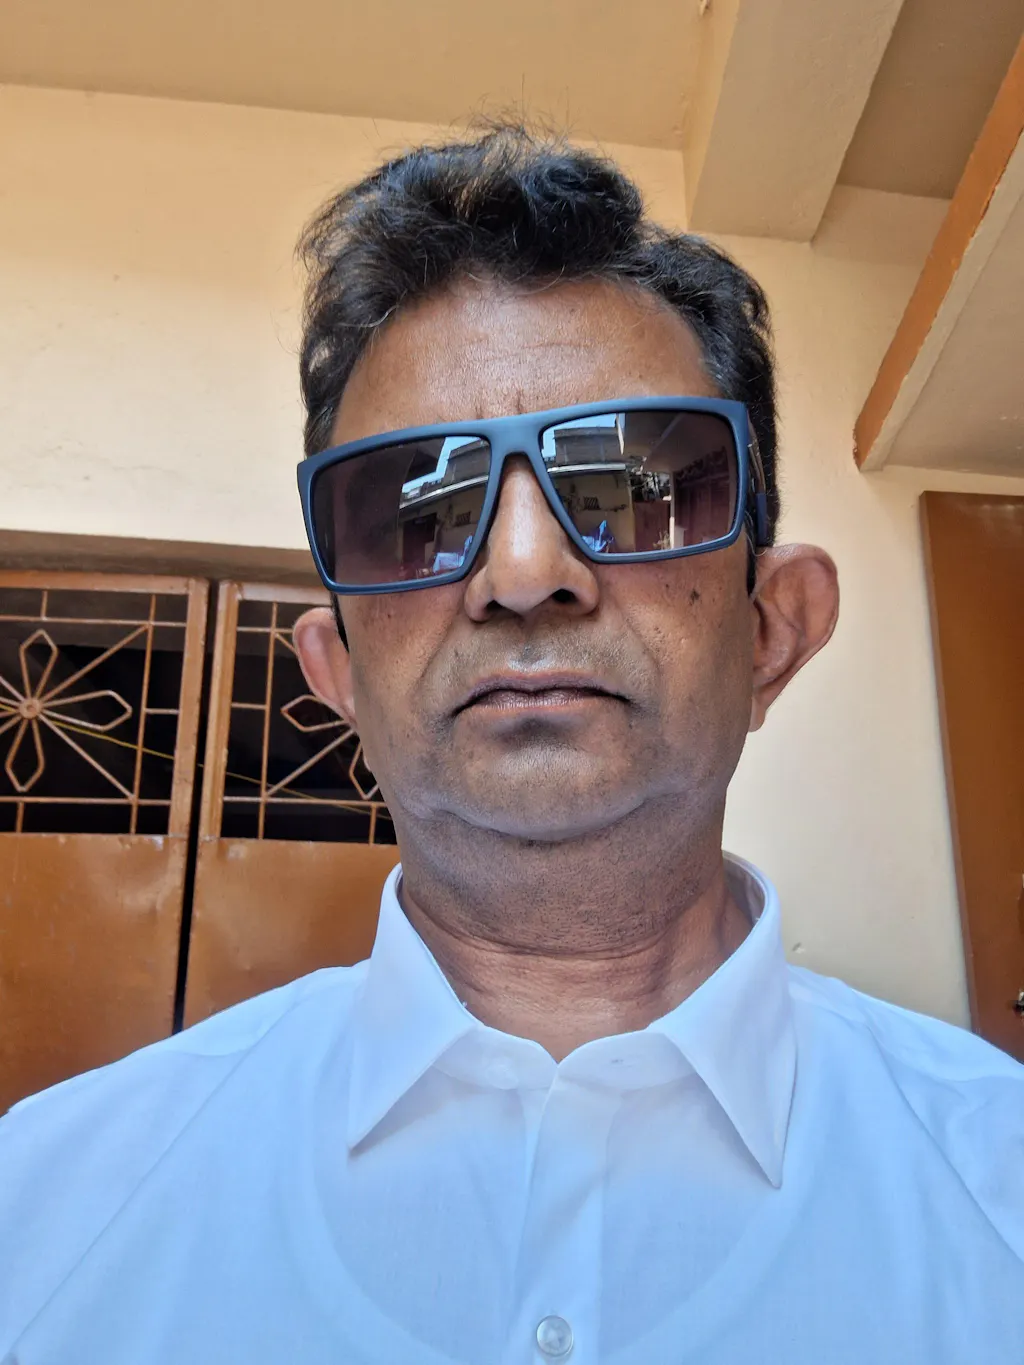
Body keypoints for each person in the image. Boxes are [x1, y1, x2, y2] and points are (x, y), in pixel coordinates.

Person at [1, 126, 1022, 1365]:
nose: (525, 571)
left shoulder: (997, 1185)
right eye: (417, 506)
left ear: (772, 631)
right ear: (336, 673)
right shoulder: (43, 1219)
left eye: (630, 486)